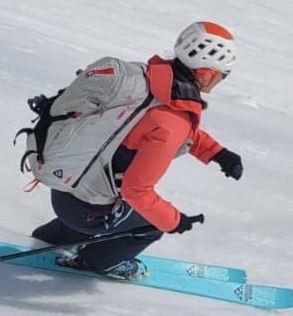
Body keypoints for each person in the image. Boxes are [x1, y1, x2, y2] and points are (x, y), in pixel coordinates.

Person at [30, 21, 244, 279]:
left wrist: (217, 153)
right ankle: (95, 262)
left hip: (66, 184)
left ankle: (50, 239)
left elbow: (159, 128)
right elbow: (136, 191)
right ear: (206, 73)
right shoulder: (172, 120)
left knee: (101, 196)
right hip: (87, 211)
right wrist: (175, 221)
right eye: (223, 75)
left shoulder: (149, 81)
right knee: (151, 225)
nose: (221, 81)